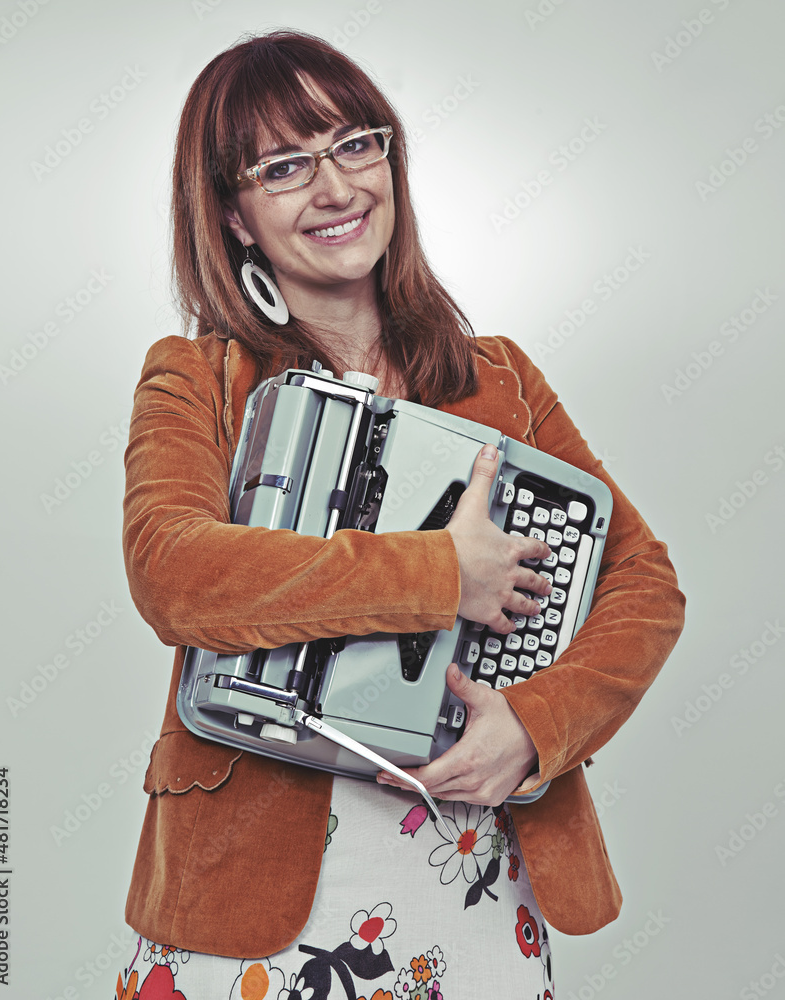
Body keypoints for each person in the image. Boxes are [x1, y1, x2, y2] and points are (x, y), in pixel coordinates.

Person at [116, 29, 685, 1000]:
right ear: (234, 214)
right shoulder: (196, 377)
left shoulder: (499, 377)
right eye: (285, 165)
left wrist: (535, 726)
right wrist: (435, 573)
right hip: (248, 893)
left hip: (466, 874)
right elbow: (173, 570)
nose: (333, 188)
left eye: (354, 144)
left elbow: (644, 587)